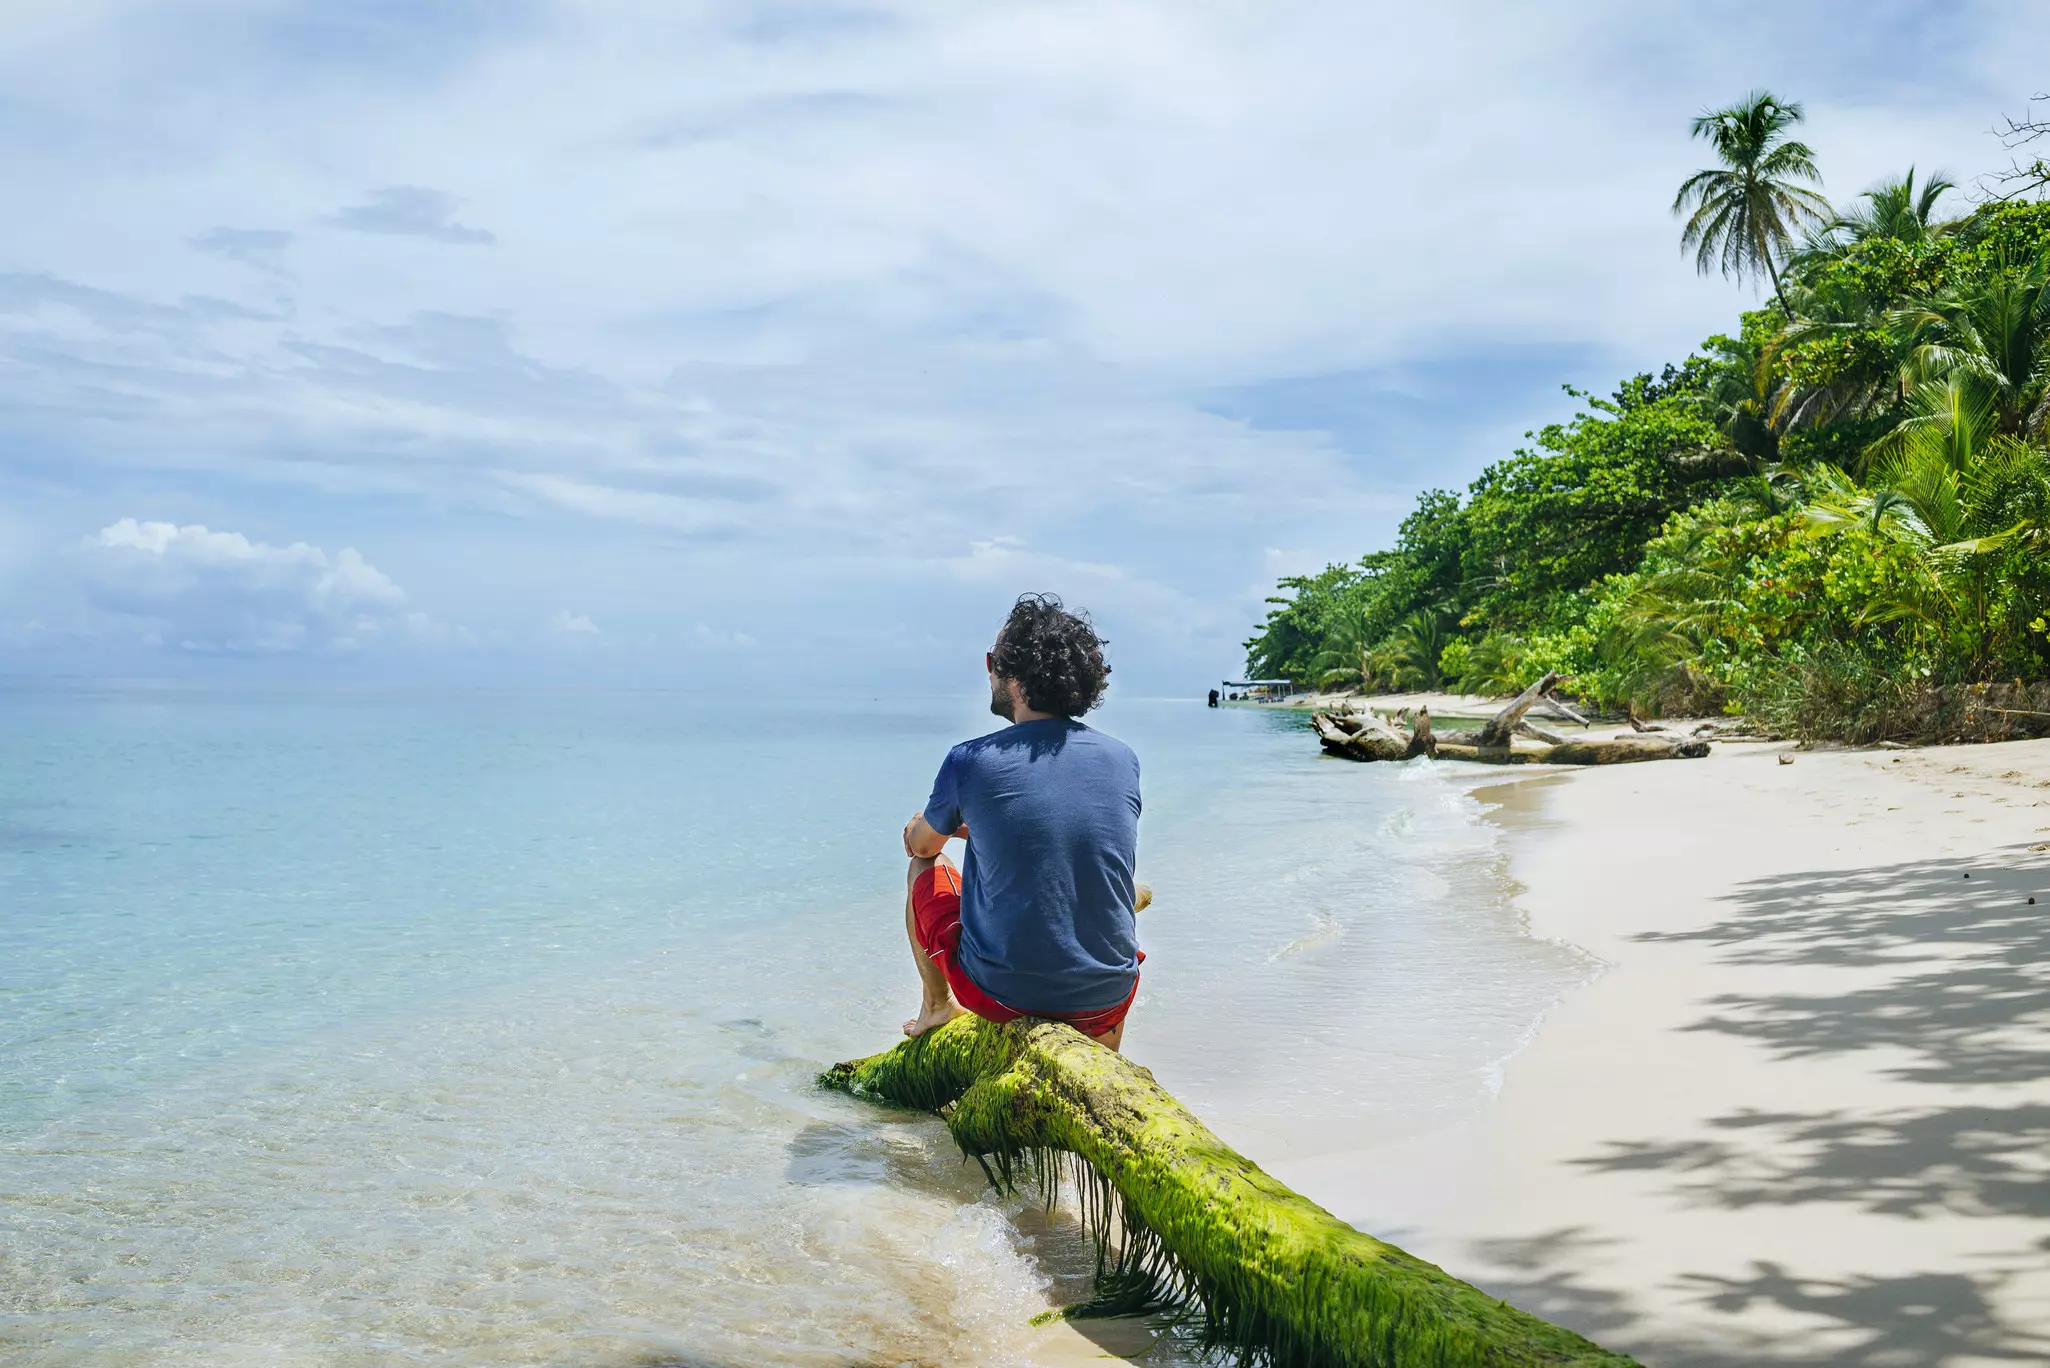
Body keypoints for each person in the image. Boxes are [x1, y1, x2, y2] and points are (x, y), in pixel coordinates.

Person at [900, 594, 1143, 1052]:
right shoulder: (1122, 758)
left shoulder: (969, 761)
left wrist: (918, 828)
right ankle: (1102, 1044)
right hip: (1111, 994)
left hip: (1004, 997)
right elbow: (1065, 825)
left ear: (1009, 676)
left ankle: (936, 1006)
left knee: (921, 869)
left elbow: (924, 846)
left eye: (991, 661)